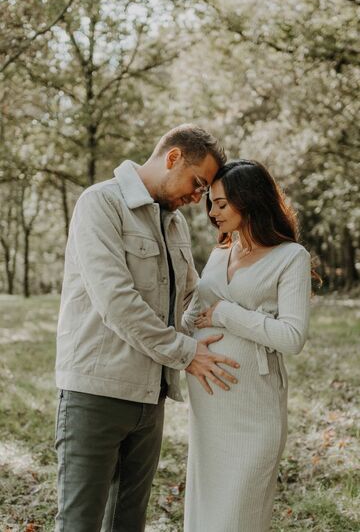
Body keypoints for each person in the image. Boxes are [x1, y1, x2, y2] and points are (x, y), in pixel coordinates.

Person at [54, 124, 240, 532]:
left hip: (151, 396)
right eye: (197, 183)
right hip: (95, 394)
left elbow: (192, 297)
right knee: (79, 523)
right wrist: (188, 354)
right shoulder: (99, 203)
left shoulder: (174, 223)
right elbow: (117, 303)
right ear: (172, 157)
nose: (198, 198)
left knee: (128, 522)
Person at [182, 159, 313, 532]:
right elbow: (193, 316)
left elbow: (292, 336)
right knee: (206, 514)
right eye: (211, 202)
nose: (212, 212)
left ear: (250, 200)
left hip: (253, 408)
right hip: (208, 408)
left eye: (222, 203)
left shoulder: (290, 257)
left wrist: (226, 314)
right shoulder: (221, 253)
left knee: (238, 517)